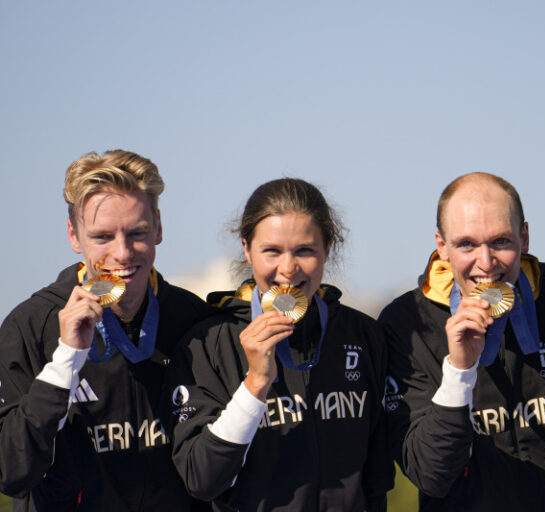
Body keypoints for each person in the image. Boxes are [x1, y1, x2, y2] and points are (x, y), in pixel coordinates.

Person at [380, 172, 545, 510]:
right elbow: (431, 474)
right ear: (441, 245)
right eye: (466, 244)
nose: (485, 264)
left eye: (500, 241)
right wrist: (459, 371)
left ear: (525, 237)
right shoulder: (406, 322)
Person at [0, 150, 212, 511]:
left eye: (137, 232)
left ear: (159, 226)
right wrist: (65, 360)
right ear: (73, 235)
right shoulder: (31, 326)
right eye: (102, 237)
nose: (123, 253)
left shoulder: (195, 320)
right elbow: (11, 470)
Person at [164, 178, 392, 511]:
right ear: (247, 249)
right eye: (272, 251)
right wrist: (254, 384)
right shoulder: (207, 343)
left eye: (304, 250)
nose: (288, 268)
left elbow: (377, 482)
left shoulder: (363, 335)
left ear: (327, 248)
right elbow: (202, 479)